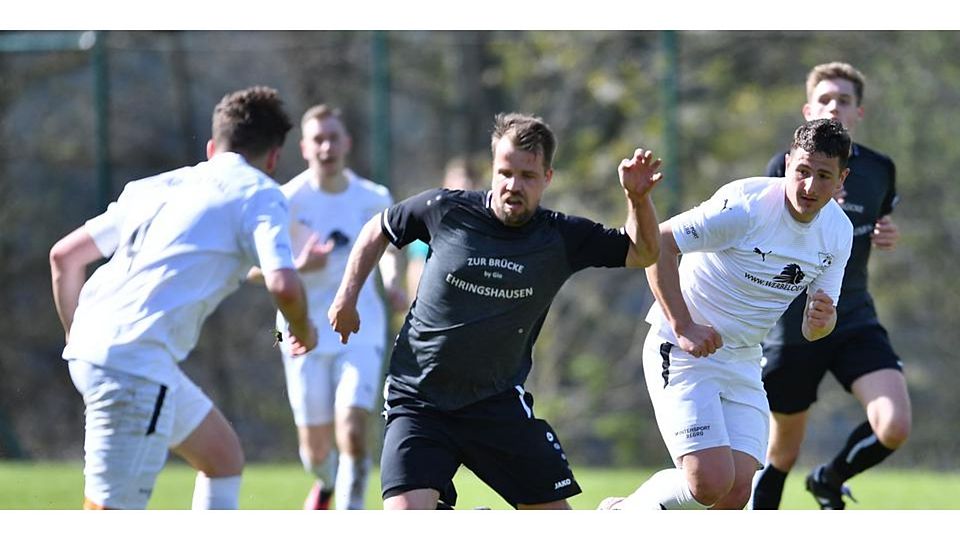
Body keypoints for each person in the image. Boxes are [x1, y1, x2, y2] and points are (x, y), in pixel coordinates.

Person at [328, 112, 663, 510]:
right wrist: (345, 298)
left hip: (496, 403)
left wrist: (637, 200)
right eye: (505, 172)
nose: (513, 185)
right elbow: (378, 229)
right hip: (420, 400)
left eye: (527, 176)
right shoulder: (444, 208)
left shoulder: (561, 236)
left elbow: (642, 251)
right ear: (492, 169)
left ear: (547, 178)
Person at [49, 86, 317, 510]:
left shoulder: (155, 185)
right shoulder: (262, 193)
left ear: (213, 147)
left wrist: (79, 343)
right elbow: (282, 284)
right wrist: (304, 329)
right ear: (273, 157)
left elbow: (64, 258)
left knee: (222, 457)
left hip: (99, 349)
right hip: (133, 366)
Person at [601, 118, 853, 510]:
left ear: (841, 180)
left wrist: (821, 322)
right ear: (787, 164)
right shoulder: (746, 207)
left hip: (744, 359)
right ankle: (618, 516)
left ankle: (630, 515)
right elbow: (659, 246)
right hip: (683, 350)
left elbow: (819, 324)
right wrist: (684, 325)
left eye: (824, 176)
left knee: (736, 492)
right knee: (709, 482)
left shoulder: (839, 232)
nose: (809, 186)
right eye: (802, 171)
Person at [751, 62, 911, 510]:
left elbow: (879, 221)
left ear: (858, 112)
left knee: (894, 425)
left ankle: (829, 479)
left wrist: (886, 233)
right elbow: (765, 241)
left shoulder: (879, 169)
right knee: (782, 452)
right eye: (824, 99)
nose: (833, 107)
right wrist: (818, 205)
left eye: (843, 100)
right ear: (808, 109)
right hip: (796, 323)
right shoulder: (787, 170)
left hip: (853, 315)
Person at [248, 104, 406, 510]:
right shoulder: (284, 200)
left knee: (352, 430)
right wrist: (300, 266)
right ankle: (325, 483)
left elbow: (387, 251)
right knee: (315, 453)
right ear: (304, 147)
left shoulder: (374, 198)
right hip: (298, 332)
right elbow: (250, 270)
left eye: (333, 137)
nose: (326, 146)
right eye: (318, 139)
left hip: (361, 327)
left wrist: (391, 282)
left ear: (346, 143)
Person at [404, 156, 481, 300]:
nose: (465, 184)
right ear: (446, 183)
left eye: (470, 179)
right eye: (459, 178)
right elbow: (417, 268)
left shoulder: (486, 228)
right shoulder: (430, 224)